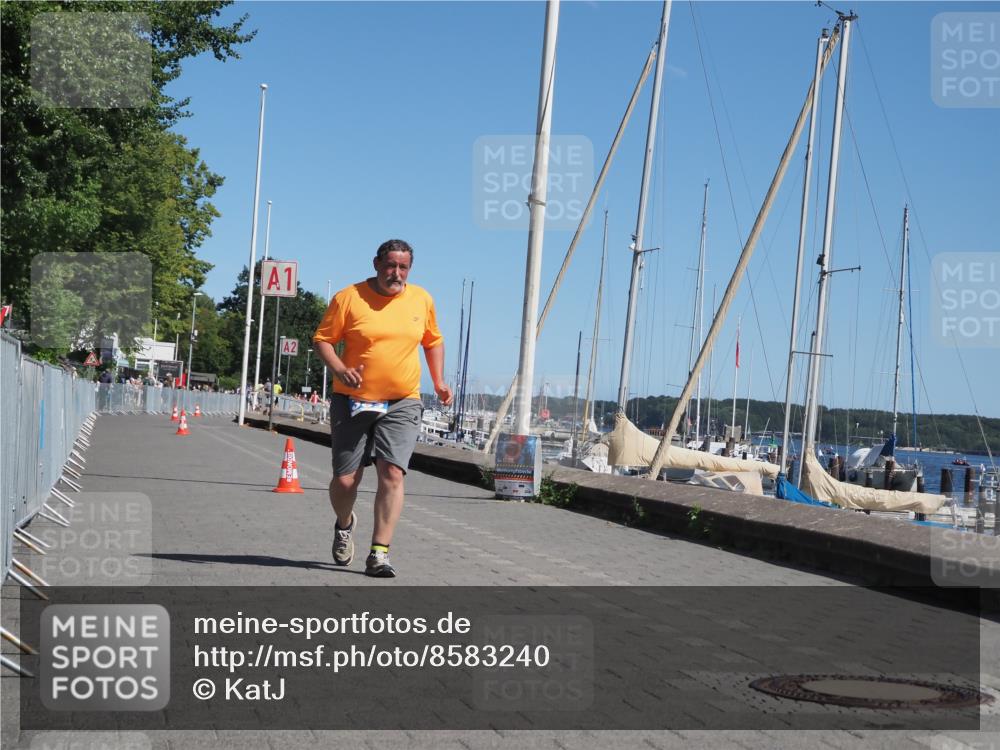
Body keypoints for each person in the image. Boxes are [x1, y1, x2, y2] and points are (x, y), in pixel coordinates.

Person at [313, 239, 452, 578]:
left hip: (403, 400)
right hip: (352, 400)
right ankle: (344, 524)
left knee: (392, 473)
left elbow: (432, 340)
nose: (396, 273)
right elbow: (323, 340)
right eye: (391, 265)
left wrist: (439, 382)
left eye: (403, 267)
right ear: (376, 263)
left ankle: (379, 552)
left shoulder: (421, 299)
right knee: (346, 481)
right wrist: (339, 369)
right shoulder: (349, 297)